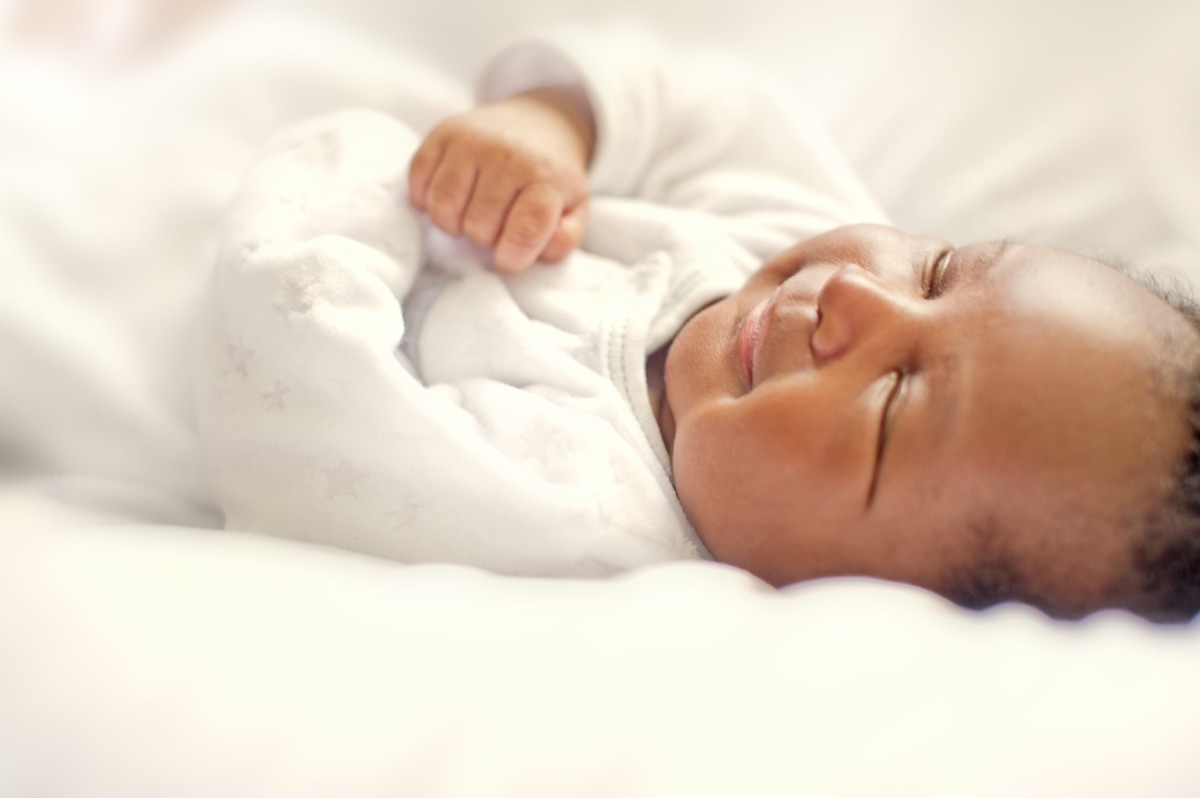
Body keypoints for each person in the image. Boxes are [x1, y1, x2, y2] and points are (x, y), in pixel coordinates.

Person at [197, 29, 1200, 622]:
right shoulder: (785, 226)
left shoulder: (573, 518)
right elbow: (692, 102)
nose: (863, 297)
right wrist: (552, 127)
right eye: (943, 269)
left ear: (875, 604)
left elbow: (293, 391)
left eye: (897, 401)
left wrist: (378, 173)